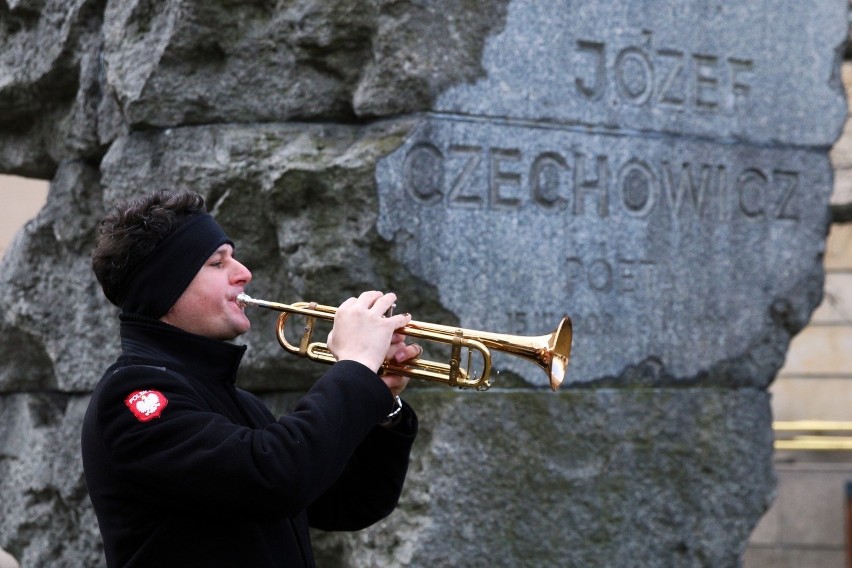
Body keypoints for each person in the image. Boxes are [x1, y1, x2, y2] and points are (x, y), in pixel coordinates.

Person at [81, 190, 420, 568]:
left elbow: (350, 504)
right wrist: (356, 368)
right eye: (216, 262)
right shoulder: (133, 398)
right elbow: (274, 478)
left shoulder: (240, 404)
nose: (244, 272)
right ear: (165, 285)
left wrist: (381, 404)